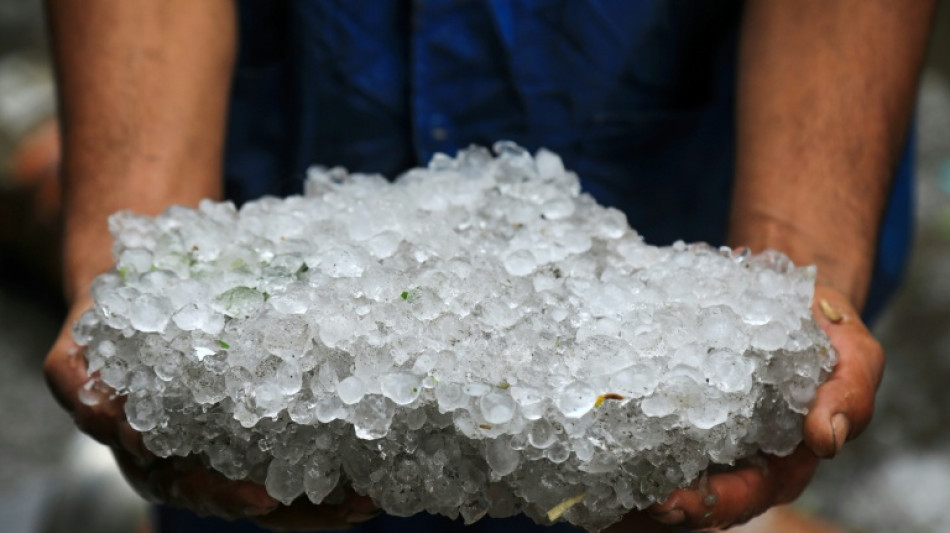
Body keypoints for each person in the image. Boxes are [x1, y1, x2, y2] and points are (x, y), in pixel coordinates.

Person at [42, 1, 934, 531]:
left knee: (668, 490)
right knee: (236, 480)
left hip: (646, 117)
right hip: (292, 126)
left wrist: (792, 245)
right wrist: (135, 250)